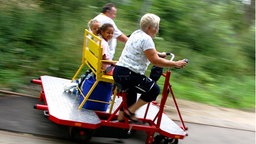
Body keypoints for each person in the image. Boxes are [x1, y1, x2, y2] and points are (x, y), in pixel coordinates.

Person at [113, 13, 188, 122]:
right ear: (149, 28)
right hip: (129, 75)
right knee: (154, 90)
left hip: (119, 72)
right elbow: (155, 61)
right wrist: (175, 64)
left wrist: (158, 53)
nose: (157, 30)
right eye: (156, 27)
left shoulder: (136, 33)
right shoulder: (147, 39)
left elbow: (147, 51)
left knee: (130, 95)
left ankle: (120, 123)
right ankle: (129, 113)